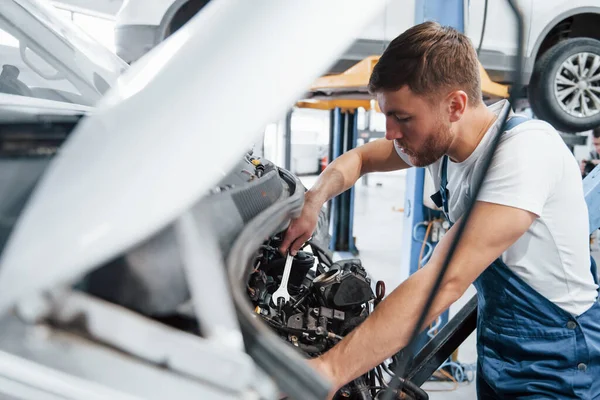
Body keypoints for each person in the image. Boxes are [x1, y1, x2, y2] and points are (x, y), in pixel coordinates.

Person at [279, 21, 600, 399]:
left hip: (559, 361)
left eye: (402, 117)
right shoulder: (441, 145)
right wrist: (314, 200)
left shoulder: (525, 152)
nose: (390, 133)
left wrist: (330, 370)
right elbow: (362, 158)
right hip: (502, 345)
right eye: (386, 116)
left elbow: (442, 282)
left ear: (455, 105)